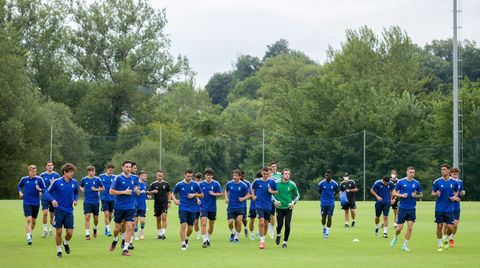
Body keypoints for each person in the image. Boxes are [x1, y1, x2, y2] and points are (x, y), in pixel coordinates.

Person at [42, 163, 79, 258]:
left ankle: (65, 243)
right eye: (70, 172)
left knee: (70, 233)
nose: (72, 174)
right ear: (65, 172)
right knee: (58, 232)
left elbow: (76, 192)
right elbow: (46, 192)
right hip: (58, 211)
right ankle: (59, 250)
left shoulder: (74, 182)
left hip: (69, 211)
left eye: (72, 172)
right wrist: (52, 200)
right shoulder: (57, 182)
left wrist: (75, 199)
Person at [108, 160, 138, 256]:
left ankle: (125, 249)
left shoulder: (135, 178)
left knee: (130, 226)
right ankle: (115, 240)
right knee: (117, 228)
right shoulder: (118, 178)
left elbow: (136, 188)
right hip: (119, 207)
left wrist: (137, 191)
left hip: (130, 207)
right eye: (126, 167)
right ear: (122, 167)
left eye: (130, 167)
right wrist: (123, 192)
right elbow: (111, 191)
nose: (128, 168)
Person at [390, 167, 423, 252]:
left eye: (413, 172)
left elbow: (421, 195)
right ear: (407, 172)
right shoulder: (401, 182)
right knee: (399, 229)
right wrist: (401, 195)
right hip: (402, 208)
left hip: (412, 208)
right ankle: (395, 238)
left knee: (410, 227)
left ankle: (405, 245)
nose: (412, 174)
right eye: (410, 172)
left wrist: (415, 196)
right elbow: (394, 193)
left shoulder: (416, 183)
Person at [171, 169, 204, 251]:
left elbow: (202, 195)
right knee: (183, 225)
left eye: (191, 176)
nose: (189, 178)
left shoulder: (195, 184)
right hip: (182, 208)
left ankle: (186, 238)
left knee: (190, 229)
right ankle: (182, 243)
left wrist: (194, 194)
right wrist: (175, 200)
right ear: (184, 175)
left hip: (192, 209)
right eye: (188, 176)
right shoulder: (179, 184)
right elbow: (172, 193)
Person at [432, 164, 459, 251]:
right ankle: (440, 245)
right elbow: (432, 193)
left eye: (444, 169)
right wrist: (436, 194)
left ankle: (446, 237)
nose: (442, 171)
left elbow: (456, 192)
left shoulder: (454, 182)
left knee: (451, 227)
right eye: (441, 170)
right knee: (439, 226)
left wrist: (454, 197)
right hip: (439, 208)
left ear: (448, 171)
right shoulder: (437, 182)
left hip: (449, 209)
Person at [251, 166, 278, 249]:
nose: (265, 175)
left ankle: (263, 239)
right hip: (259, 205)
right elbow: (252, 188)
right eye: (264, 174)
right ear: (262, 173)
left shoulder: (272, 182)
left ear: (269, 174)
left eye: (267, 174)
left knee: (266, 224)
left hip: (268, 206)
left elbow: (276, 191)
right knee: (261, 222)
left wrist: (271, 191)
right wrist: (253, 196)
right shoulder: (257, 182)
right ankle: (262, 241)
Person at [18, 165, 44, 245]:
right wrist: (20, 192)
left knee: (33, 221)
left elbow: (45, 189)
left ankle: (30, 232)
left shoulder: (39, 179)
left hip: (36, 203)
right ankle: (29, 237)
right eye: (33, 171)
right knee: (28, 219)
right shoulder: (24, 179)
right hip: (27, 202)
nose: (34, 173)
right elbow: (19, 186)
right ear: (29, 171)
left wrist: (39, 190)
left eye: (35, 171)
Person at [273, 168, 300, 248]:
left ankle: (285, 242)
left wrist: (293, 202)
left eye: (288, 174)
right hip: (279, 207)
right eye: (286, 174)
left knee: (287, 225)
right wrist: (275, 202)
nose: (287, 175)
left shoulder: (292, 184)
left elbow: (297, 195)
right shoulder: (276, 183)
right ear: (282, 175)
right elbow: (271, 194)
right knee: (280, 225)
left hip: (288, 208)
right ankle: (278, 235)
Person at [199, 167, 223, 248]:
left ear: (212, 176)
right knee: (204, 223)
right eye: (207, 175)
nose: (209, 177)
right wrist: (197, 199)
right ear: (205, 176)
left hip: (212, 208)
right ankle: (205, 240)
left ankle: (208, 238)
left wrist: (214, 194)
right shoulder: (201, 184)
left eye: (210, 175)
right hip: (203, 207)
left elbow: (221, 193)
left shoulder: (216, 184)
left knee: (211, 225)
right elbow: (195, 193)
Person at [225, 170, 250, 243]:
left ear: (240, 176)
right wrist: (226, 198)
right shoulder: (229, 183)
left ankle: (237, 237)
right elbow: (226, 191)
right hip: (231, 207)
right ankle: (233, 233)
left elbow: (248, 195)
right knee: (230, 223)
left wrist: (243, 198)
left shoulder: (243, 185)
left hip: (240, 207)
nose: (235, 177)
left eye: (236, 176)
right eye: (234, 175)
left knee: (239, 222)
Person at [80, 166, 104, 240]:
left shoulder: (97, 179)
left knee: (96, 218)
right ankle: (87, 234)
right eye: (92, 171)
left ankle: (95, 228)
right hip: (87, 201)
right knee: (87, 217)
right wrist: (82, 189)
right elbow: (80, 186)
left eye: (94, 171)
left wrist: (96, 189)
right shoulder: (84, 179)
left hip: (95, 202)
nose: (94, 172)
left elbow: (103, 188)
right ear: (89, 172)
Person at [147, 170, 171, 240]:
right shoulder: (153, 184)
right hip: (157, 204)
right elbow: (147, 192)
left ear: (163, 176)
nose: (160, 177)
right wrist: (152, 191)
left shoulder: (166, 184)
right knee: (158, 219)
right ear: (156, 176)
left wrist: (169, 202)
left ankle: (163, 233)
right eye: (158, 176)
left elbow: (169, 193)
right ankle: (159, 234)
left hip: (164, 203)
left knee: (164, 217)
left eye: (161, 176)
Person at [39, 161, 60, 238]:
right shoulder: (42, 175)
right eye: (48, 165)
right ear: (46, 167)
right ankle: (44, 230)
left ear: (53, 166)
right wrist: (40, 190)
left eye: (51, 165)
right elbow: (39, 185)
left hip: (53, 198)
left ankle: (51, 230)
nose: (50, 167)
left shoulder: (56, 175)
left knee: (52, 214)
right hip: (45, 197)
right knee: (45, 213)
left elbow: (59, 186)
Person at [318, 170, 339, 239]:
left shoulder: (335, 184)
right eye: (326, 175)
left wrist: (332, 197)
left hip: (331, 203)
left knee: (329, 217)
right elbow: (319, 191)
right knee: (323, 218)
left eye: (328, 175)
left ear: (331, 176)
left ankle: (327, 232)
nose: (327, 177)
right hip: (323, 203)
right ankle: (324, 227)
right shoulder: (321, 183)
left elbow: (337, 191)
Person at [448, 167, 465, 247]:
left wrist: (462, 193)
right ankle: (445, 238)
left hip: (456, 207)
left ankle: (451, 238)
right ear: (450, 173)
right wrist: (453, 198)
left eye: (457, 174)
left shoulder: (460, 182)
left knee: (455, 225)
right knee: (448, 225)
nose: (455, 176)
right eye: (454, 174)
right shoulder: (448, 182)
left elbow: (462, 191)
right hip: (448, 206)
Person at [99, 164, 116, 237]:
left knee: (110, 215)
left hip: (112, 198)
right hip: (104, 198)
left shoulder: (115, 177)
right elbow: (98, 185)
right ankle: (108, 230)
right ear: (107, 169)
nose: (111, 171)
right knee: (106, 214)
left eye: (112, 170)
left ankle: (107, 227)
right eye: (110, 170)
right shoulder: (101, 176)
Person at [248, 171, 262, 241]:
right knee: (252, 220)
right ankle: (252, 234)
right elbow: (248, 194)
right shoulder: (253, 184)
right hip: (253, 205)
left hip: (261, 205)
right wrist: (253, 196)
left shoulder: (264, 183)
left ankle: (259, 233)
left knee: (261, 220)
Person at [268, 161, 281, 238]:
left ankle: (274, 226)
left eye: (275, 166)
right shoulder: (268, 176)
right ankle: (271, 228)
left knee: (279, 214)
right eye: (272, 166)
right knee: (272, 215)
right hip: (271, 198)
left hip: (279, 197)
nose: (274, 168)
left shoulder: (280, 175)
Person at [134, 171, 148, 240]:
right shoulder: (136, 183)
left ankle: (142, 231)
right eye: (145, 176)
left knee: (142, 221)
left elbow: (146, 192)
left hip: (143, 205)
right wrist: (140, 192)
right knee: (135, 221)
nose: (146, 177)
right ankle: (136, 235)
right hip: (136, 205)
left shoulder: (145, 184)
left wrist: (147, 195)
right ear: (141, 176)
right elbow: (137, 193)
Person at [239, 170, 250, 238]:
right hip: (234, 204)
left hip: (243, 204)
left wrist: (244, 198)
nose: (243, 176)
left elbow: (249, 193)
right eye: (241, 175)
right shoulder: (234, 182)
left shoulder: (247, 183)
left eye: (243, 175)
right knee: (236, 219)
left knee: (243, 219)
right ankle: (237, 233)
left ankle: (245, 227)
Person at [193, 172, 202, 240]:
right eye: (197, 180)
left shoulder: (202, 186)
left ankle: (203, 234)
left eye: (199, 180)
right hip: (195, 207)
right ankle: (197, 233)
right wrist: (197, 199)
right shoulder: (193, 186)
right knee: (195, 222)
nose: (198, 182)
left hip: (202, 207)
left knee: (203, 221)